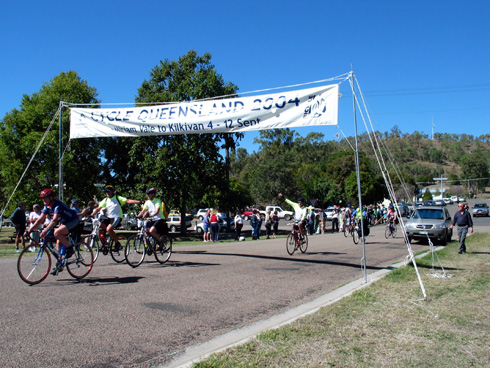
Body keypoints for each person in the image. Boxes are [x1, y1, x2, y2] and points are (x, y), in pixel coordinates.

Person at [27, 189, 80, 275]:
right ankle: (60, 263)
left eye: (45, 198)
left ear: (51, 198)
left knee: (57, 233)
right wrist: (30, 229)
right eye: (42, 198)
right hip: (64, 222)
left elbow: (55, 220)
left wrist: (46, 230)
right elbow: (40, 219)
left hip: (72, 220)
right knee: (58, 242)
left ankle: (70, 249)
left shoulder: (57, 205)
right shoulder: (46, 207)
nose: (43, 200)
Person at [91, 185, 142, 251]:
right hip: (108, 217)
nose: (107, 193)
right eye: (106, 192)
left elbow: (128, 201)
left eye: (108, 192)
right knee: (99, 228)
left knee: (109, 229)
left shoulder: (117, 198)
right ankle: (104, 244)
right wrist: (91, 214)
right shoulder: (106, 200)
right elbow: (98, 208)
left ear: (112, 192)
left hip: (117, 217)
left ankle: (117, 243)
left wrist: (139, 202)